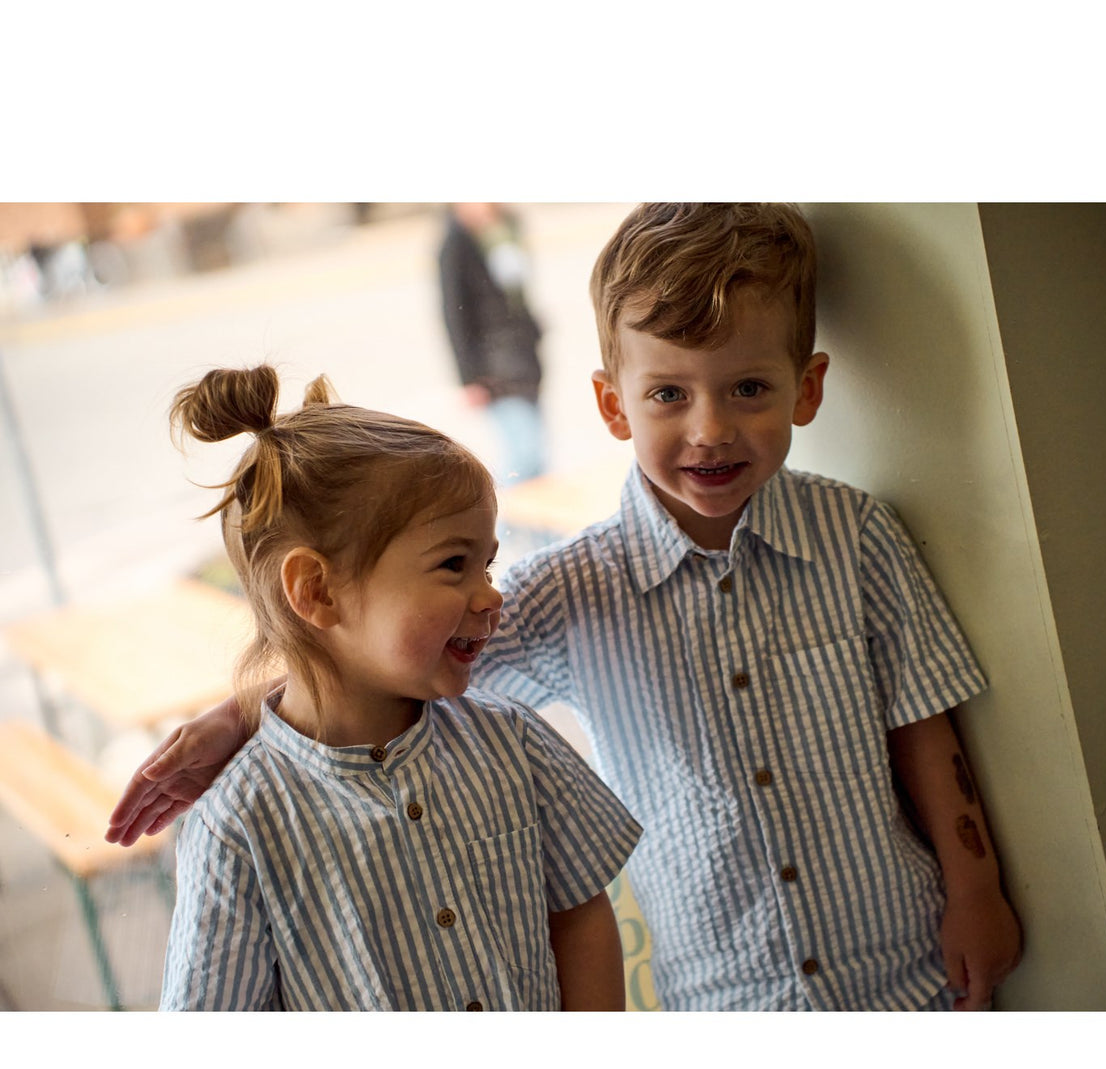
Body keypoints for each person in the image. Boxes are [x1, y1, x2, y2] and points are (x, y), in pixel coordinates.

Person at [110, 204, 1022, 1012]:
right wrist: (242, 716)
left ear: (807, 389)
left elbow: (923, 728)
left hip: (906, 975)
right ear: (612, 405)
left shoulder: (856, 536)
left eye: (748, 388)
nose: (709, 429)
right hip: (727, 1002)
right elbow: (389, 657)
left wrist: (976, 888)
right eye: (668, 394)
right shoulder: (571, 591)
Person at [152, 365, 640, 1011]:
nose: (491, 595)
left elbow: (578, 913)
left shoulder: (514, 741)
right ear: (317, 591)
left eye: (487, 563)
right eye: (454, 564)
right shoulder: (237, 829)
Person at [438, 202, 546, 483]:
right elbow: (453, 315)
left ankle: (528, 512)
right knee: (523, 457)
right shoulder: (455, 243)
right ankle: (502, 512)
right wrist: (468, 379)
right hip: (493, 369)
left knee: (537, 458)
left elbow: (518, 295)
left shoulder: (505, 230)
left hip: (525, 359)